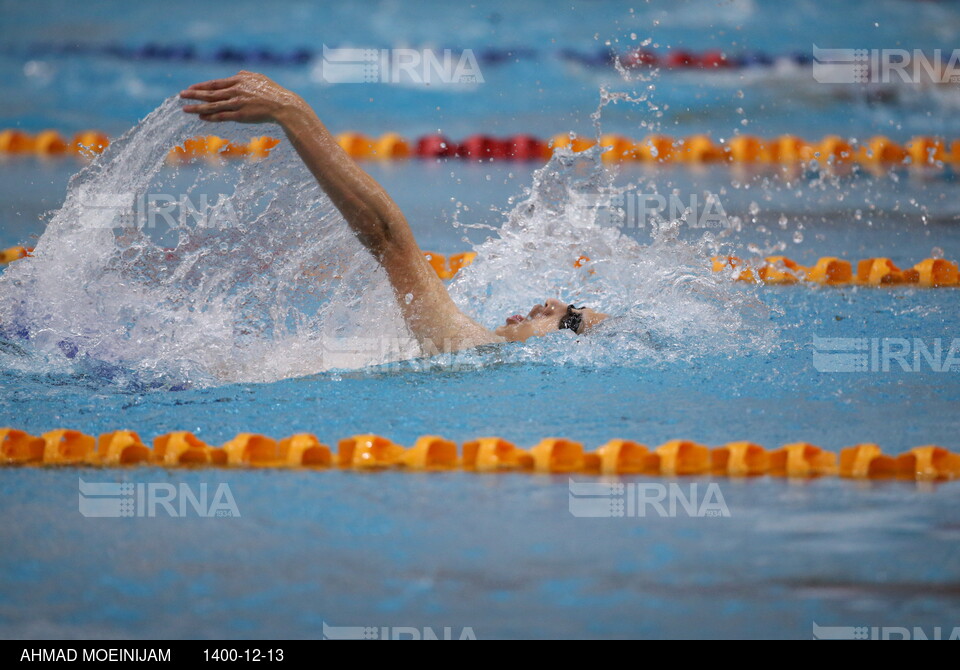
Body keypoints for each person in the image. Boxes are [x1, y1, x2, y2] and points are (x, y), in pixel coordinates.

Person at [180, 71, 608, 354]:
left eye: (569, 319)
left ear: (558, 353)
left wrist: (291, 112)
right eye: (572, 303)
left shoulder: (472, 348)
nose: (553, 301)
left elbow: (387, 239)